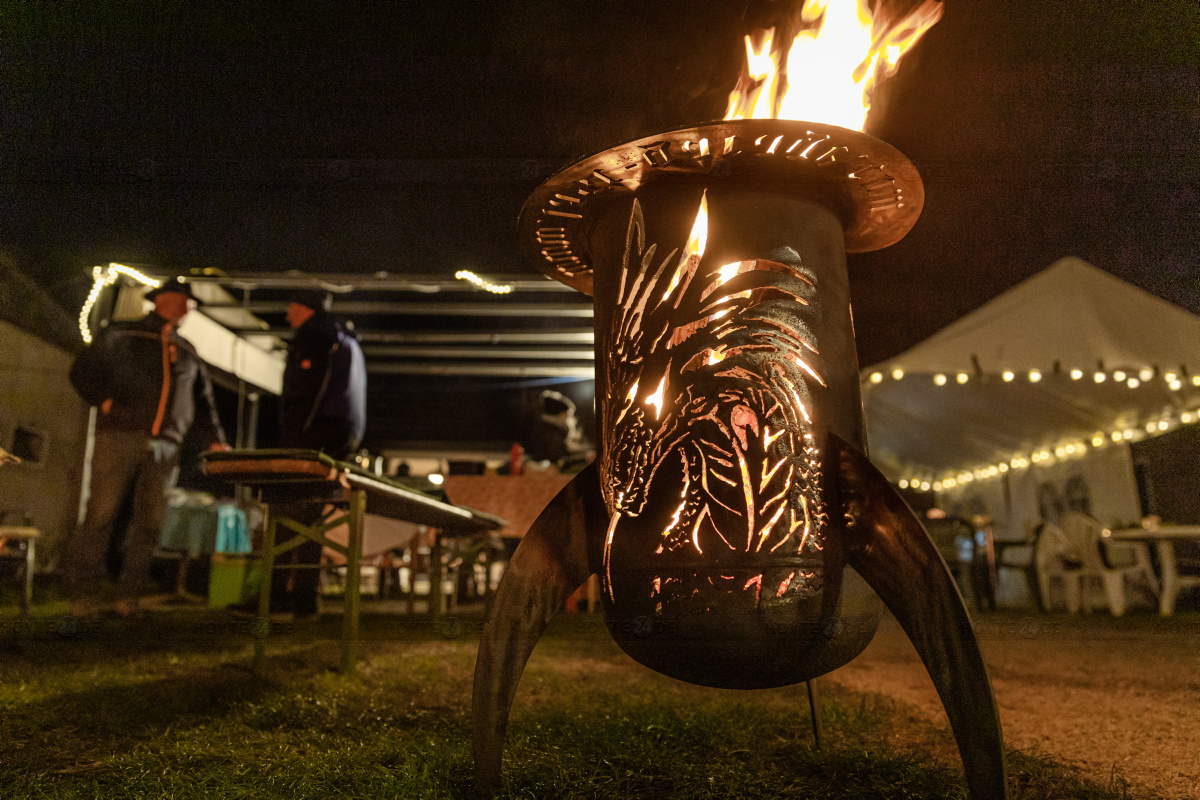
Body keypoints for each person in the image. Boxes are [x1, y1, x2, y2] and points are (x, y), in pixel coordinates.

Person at [65, 279, 228, 618]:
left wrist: (214, 438)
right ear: (166, 301)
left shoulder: (187, 349)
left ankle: (130, 597)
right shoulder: (123, 334)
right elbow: (82, 371)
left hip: (167, 445)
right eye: (186, 302)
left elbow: (203, 401)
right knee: (101, 515)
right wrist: (106, 402)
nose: (189, 309)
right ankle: (84, 595)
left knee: (150, 523)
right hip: (119, 436)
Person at [269, 288, 367, 618]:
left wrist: (293, 439)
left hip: (313, 433)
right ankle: (304, 598)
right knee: (311, 519)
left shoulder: (314, 336)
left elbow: (308, 388)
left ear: (304, 307)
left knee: (286, 510)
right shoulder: (345, 339)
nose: (287, 315)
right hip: (340, 433)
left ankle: (277, 595)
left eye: (291, 306)